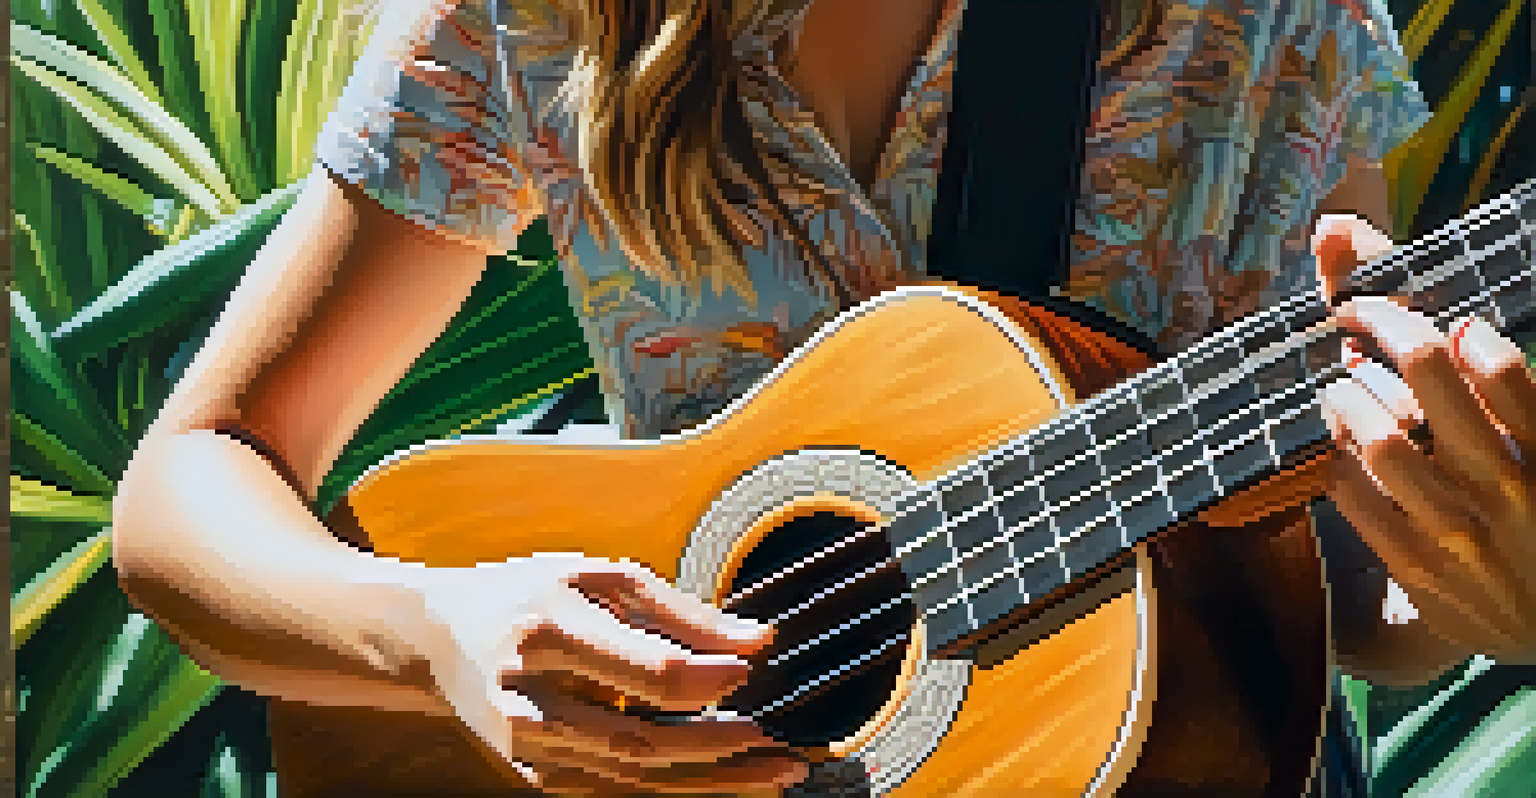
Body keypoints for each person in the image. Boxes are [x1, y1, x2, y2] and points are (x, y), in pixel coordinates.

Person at [111, 0, 1536, 793]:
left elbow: (1346, 580)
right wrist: (436, 633)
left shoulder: (1263, 24)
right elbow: (192, 481)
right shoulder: (548, 20)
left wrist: (1476, 584)